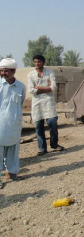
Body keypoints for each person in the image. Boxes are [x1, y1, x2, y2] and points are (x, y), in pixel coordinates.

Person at [28, 55, 64, 156]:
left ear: (43, 62)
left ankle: (54, 144)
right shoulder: (30, 75)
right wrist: (46, 88)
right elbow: (31, 90)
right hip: (37, 103)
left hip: (49, 102)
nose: (37, 64)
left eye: (39, 62)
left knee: (53, 124)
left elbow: (53, 88)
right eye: (35, 62)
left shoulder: (50, 72)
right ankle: (42, 148)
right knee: (38, 126)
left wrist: (38, 87)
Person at [0, 58, 26, 187]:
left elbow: (20, 104)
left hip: (14, 123)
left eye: (6, 71)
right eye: (2, 70)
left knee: (13, 149)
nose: (3, 73)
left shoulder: (21, 86)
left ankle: (12, 172)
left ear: (13, 71)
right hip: (1, 123)